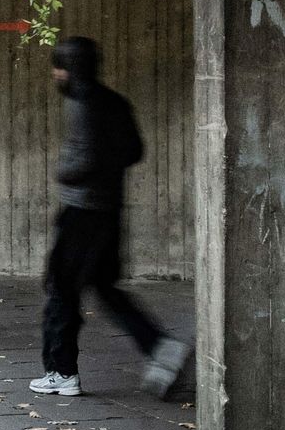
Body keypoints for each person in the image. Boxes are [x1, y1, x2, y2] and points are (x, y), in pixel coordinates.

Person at [30, 36, 190, 399]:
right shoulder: (114, 101)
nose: (56, 73)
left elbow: (85, 160)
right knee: (104, 288)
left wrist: (65, 171)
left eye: (59, 66)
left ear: (69, 68)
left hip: (81, 213)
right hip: (108, 212)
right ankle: (161, 348)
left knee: (61, 289)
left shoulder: (81, 103)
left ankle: (61, 370)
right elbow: (135, 150)